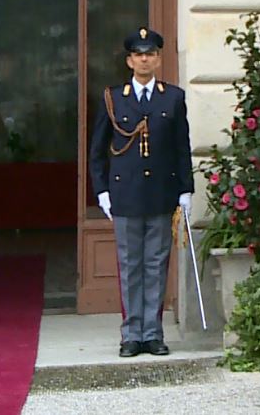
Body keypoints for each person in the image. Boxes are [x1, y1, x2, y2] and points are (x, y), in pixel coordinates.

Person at [88, 27, 194, 357]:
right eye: (138, 55)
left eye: (150, 54)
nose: (144, 60)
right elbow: (97, 150)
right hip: (125, 194)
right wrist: (102, 190)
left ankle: (153, 333)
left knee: (156, 264)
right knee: (130, 264)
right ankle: (131, 333)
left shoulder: (172, 97)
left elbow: (181, 147)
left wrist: (186, 189)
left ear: (159, 59)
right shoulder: (113, 98)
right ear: (129, 61)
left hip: (161, 193)